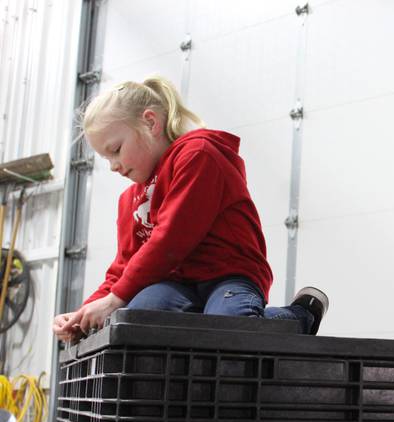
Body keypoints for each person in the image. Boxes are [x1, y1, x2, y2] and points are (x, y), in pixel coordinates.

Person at [52, 76, 327, 342]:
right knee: (130, 319)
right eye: (105, 158)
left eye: (116, 150)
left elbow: (171, 238)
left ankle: (298, 316)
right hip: (176, 285)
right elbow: (123, 267)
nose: (113, 166)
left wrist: (113, 299)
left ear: (150, 122)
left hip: (227, 275)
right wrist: (85, 313)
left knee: (229, 331)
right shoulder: (130, 200)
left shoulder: (198, 155)